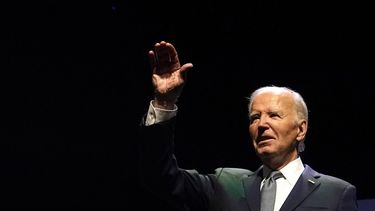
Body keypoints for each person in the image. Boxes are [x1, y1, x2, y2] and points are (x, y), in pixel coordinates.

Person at [138, 40, 358, 211]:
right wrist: (164, 103)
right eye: (254, 117)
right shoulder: (226, 184)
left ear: (301, 129)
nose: (262, 124)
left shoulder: (336, 193)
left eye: (274, 115)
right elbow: (158, 176)